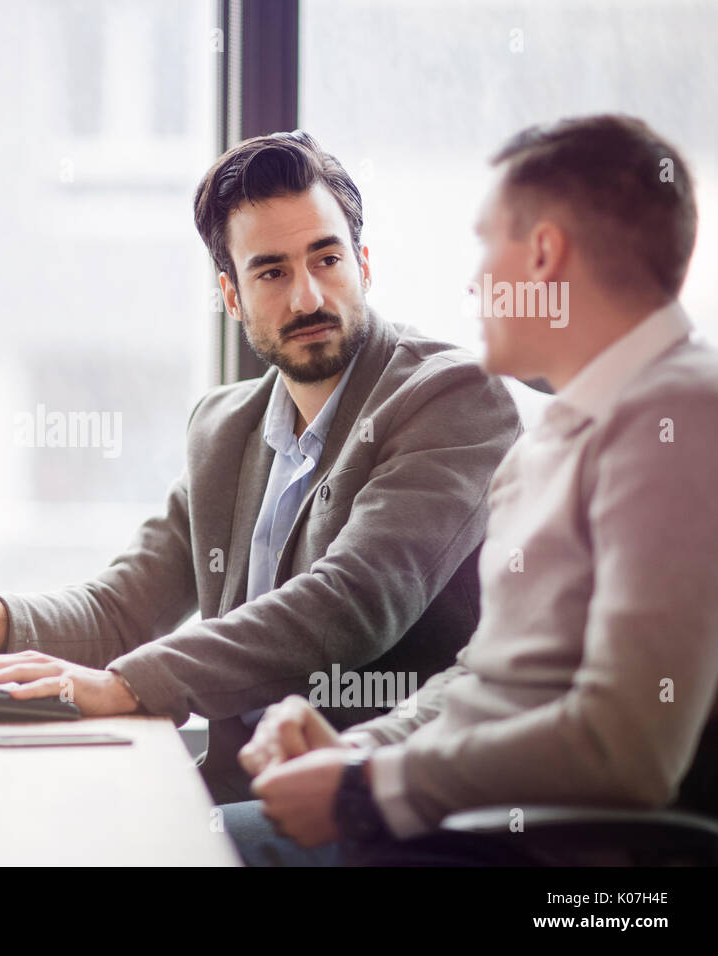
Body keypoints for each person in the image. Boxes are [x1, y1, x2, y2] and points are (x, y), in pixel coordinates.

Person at [0, 131, 521, 803]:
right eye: (272, 272)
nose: (307, 298)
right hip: (233, 793)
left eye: (327, 259)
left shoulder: (449, 395)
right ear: (231, 297)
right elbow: (123, 606)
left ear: (364, 264)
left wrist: (126, 686)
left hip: (368, 809)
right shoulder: (225, 429)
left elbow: (350, 605)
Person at [230, 114, 718, 865]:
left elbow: (628, 748)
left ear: (545, 252)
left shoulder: (682, 414)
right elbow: (485, 677)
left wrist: (371, 786)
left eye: (487, 244)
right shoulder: (555, 438)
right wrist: (359, 754)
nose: (473, 279)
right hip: (473, 825)